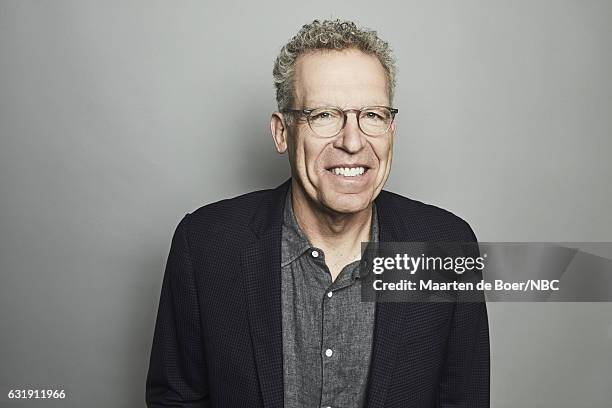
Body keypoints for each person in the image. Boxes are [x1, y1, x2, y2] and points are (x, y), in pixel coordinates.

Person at [146, 19, 489, 408]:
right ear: (282, 132)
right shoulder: (206, 246)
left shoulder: (443, 248)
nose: (353, 141)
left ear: (392, 128)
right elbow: (176, 399)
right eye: (324, 114)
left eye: (372, 115)